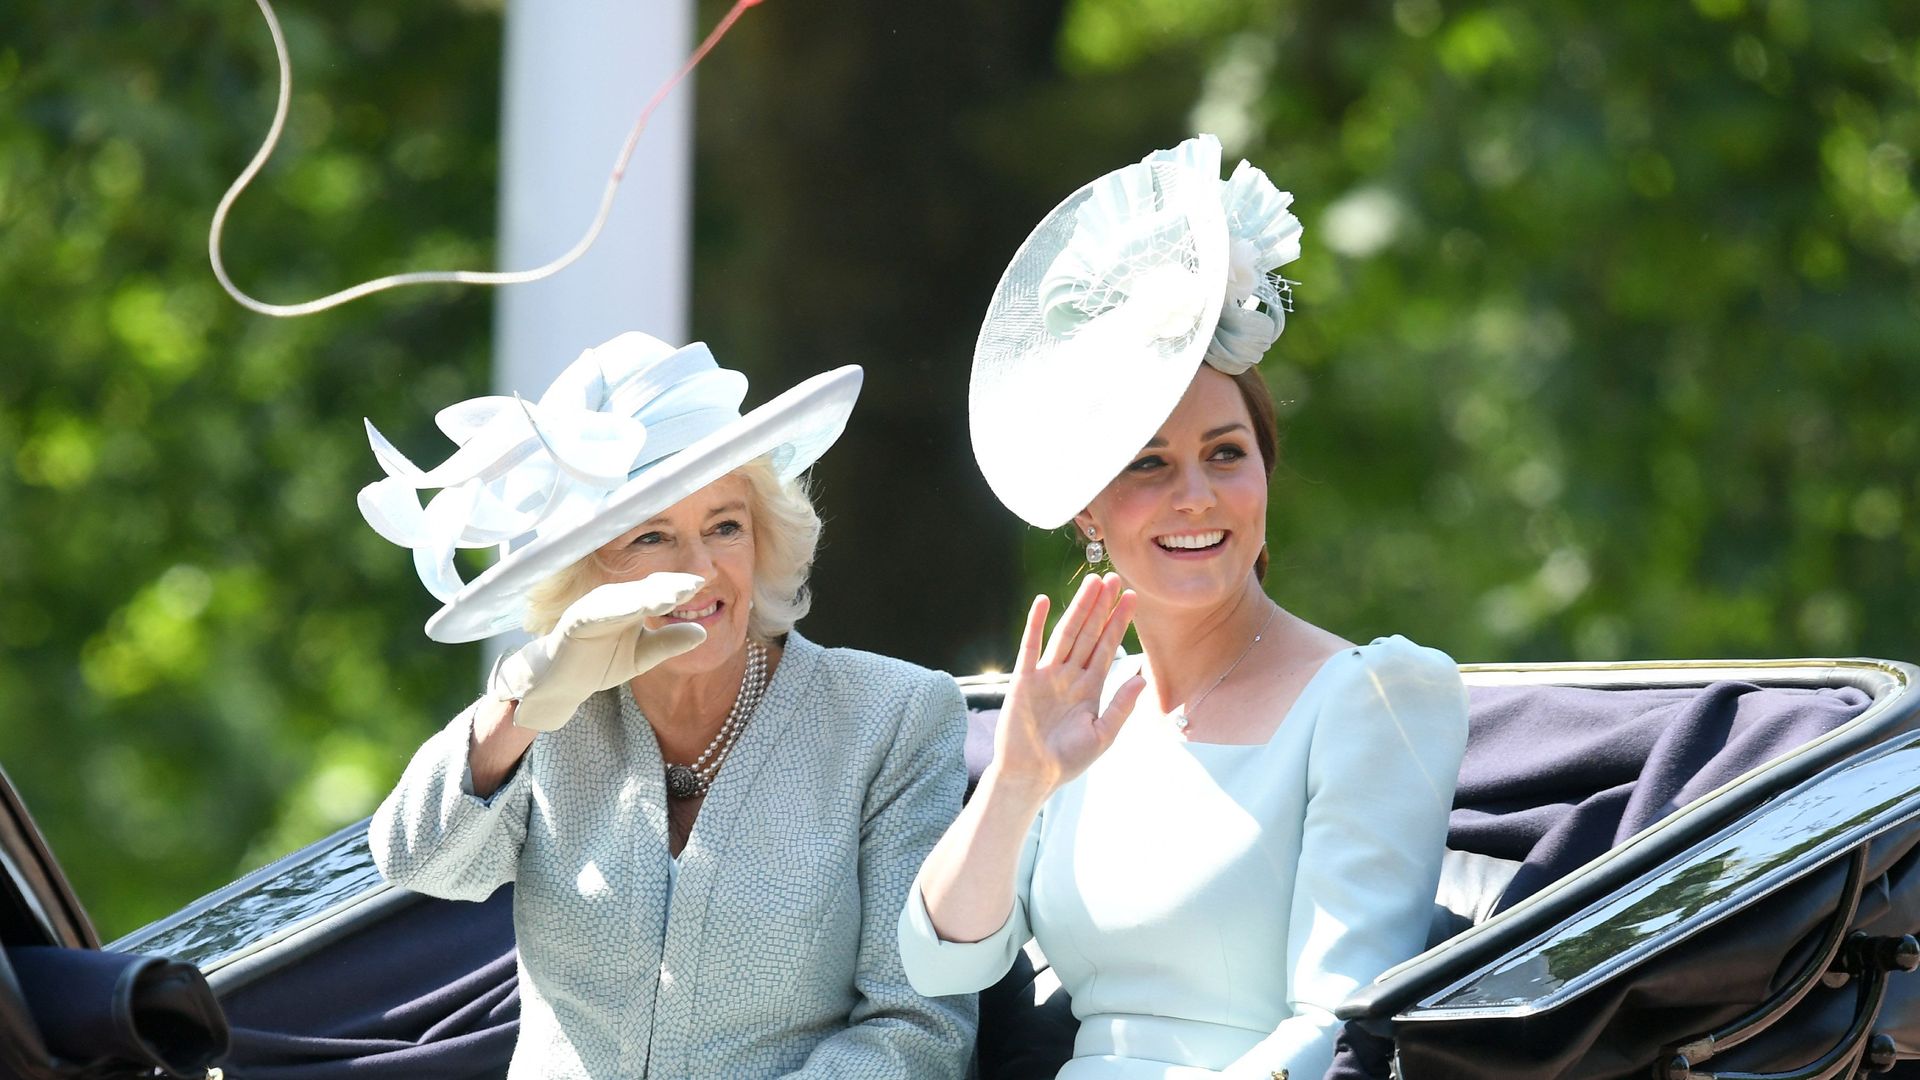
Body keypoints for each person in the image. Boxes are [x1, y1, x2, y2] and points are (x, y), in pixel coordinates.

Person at [898, 135, 1470, 1079]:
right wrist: (1018, 779)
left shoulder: (1375, 697)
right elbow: (940, 959)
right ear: (1090, 507)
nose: (1195, 495)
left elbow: (1339, 1024)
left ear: (1264, 476)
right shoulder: (1076, 709)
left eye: (1226, 453)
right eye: (1148, 464)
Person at [362, 331, 975, 1078]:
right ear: (586, 574)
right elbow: (417, 861)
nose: (698, 571)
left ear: (764, 537)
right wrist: (524, 703)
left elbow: (916, 1032)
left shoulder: (892, 716)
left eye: (725, 525)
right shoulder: (553, 719)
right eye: (651, 537)